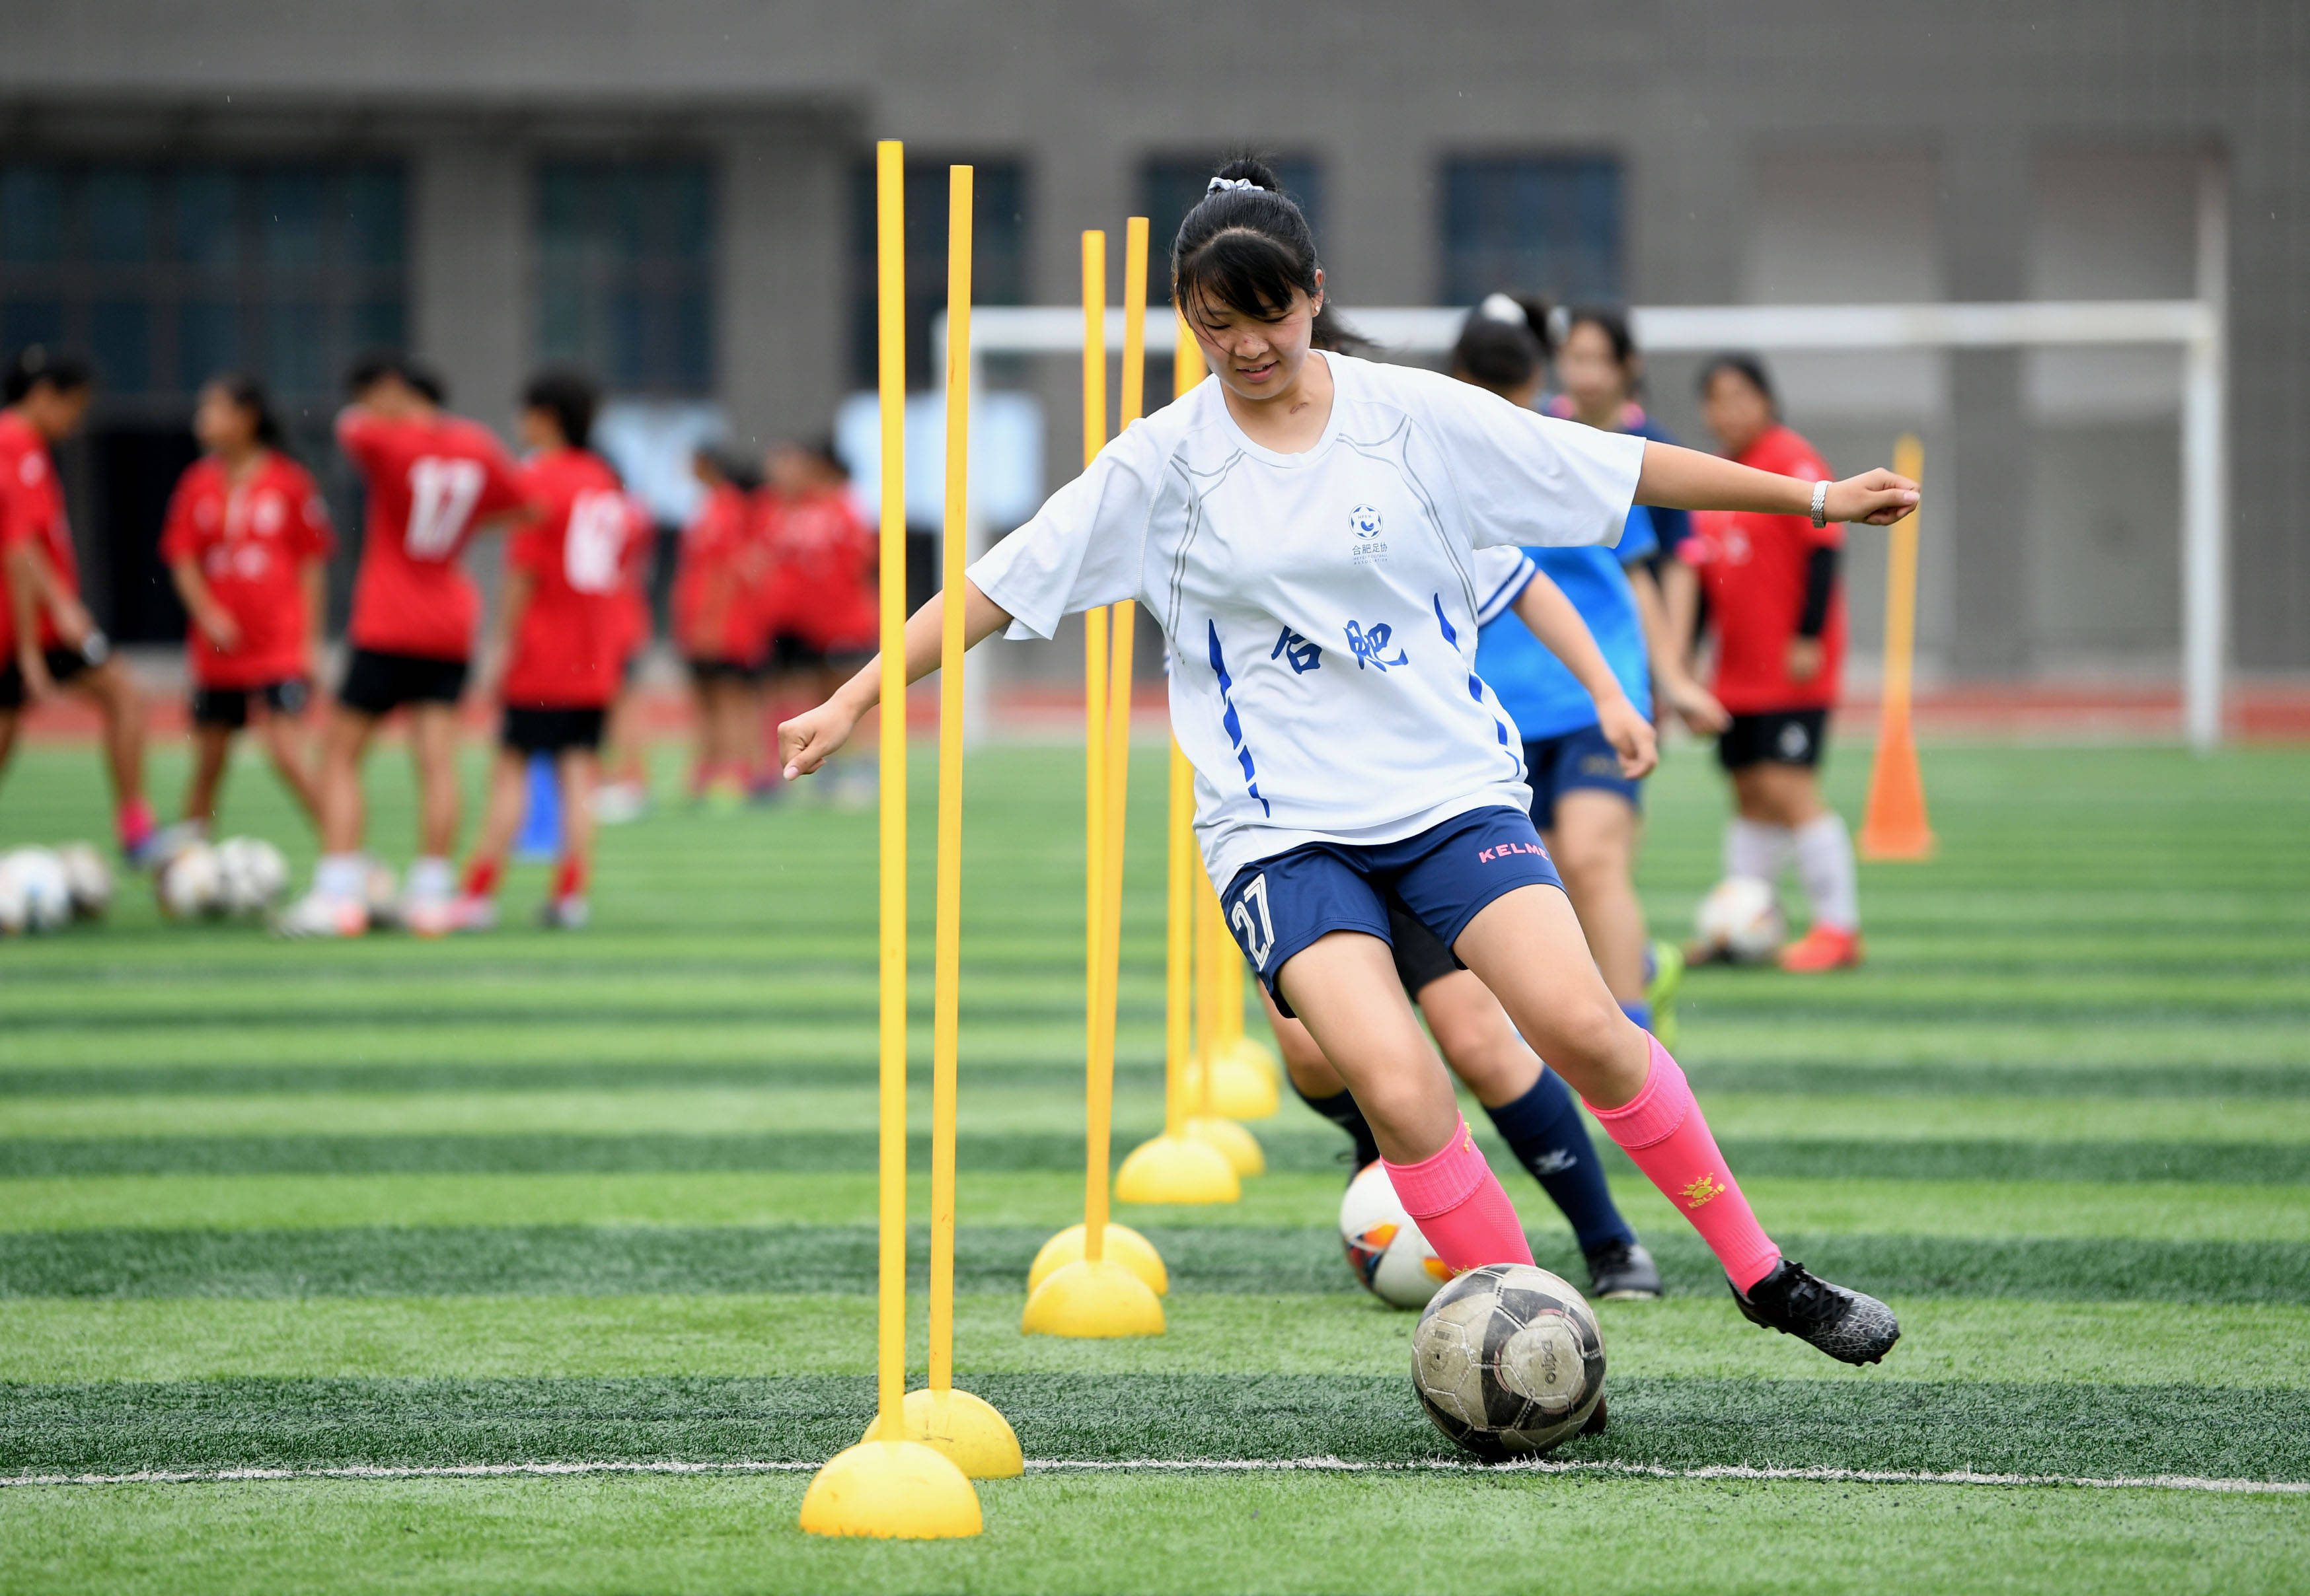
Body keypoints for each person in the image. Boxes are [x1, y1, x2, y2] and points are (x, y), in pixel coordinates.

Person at [780, 159, 1918, 1365]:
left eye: (1267, 317)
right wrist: (852, 698)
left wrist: (1815, 499)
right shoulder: (1160, 464)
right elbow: (992, 588)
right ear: (1187, 319)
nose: (1247, 348)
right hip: (1280, 833)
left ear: (1314, 294)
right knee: (1399, 1083)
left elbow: (1620, 472)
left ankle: (1763, 1276)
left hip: (1447, 795)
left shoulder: (1412, 416)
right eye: (1216, 327)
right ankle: (1526, 1343)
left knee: (1579, 1025)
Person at [277, 352, 532, 938]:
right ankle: (430, 895)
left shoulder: (384, 438)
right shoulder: (475, 443)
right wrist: (466, 525)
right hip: (450, 621)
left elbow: (348, 427)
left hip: (390, 621)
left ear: (393, 389)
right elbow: (526, 506)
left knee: (339, 755)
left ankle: (339, 894)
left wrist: (381, 412)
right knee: (438, 761)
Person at [1669, 353, 1863, 973]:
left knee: (1789, 788)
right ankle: (1741, 925)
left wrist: (1807, 636)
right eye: (1716, 398)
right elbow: (1700, 581)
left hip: (1791, 670)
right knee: (1749, 792)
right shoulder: (1718, 478)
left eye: (1740, 396)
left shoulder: (1792, 459)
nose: (1727, 410)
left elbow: (1826, 549)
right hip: (1737, 674)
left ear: (1766, 400)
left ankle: (1839, 929)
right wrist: (1687, 664)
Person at [452, 367, 637, 931]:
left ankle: (479, 894)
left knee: (508, 771)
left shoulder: (538, 480)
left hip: (544, 652)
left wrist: (499, 649)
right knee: (579, 772)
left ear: (544, 417)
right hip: (593, 651)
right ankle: (571, 894)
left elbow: (523, 576)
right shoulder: (604, 478)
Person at [0, 345, 159, 863]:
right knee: (123, 697)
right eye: (75, 406)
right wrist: (57, 612)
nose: (76, 419)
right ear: (46, 396)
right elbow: (18, 546)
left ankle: (138, 827)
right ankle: (136, 830)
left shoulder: (24, 443)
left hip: (31, 624)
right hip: (31, 625)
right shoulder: (15, 441)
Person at [159, 374, 331, 834]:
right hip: (218, 650)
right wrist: (208, 613)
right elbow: (181, 557)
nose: (204, 420)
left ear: (246, 417)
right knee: (210, 760)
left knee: (286, 751)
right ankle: (190, 860)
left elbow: (312, 564)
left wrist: (309, 644)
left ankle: (344, 857)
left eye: (213, 409)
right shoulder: (196, 483)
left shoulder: (290, 481)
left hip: (277, 642)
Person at [761, 438, 877, 805]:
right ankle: (825, 772)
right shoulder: (791, 511)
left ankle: (862, 771)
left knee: (850, 697)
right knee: (814, 699)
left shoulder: (842, 510)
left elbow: (856, 567)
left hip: (842, 623)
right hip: (804, 626)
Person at [672, 446, 767, 808]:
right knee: (709, 698)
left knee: (732, 698)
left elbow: (725, 572)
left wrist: (712, 622)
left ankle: (739, 772)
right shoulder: (711, 507)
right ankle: (710, 770)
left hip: (727, 625)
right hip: (705, 621)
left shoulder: (726, 509)